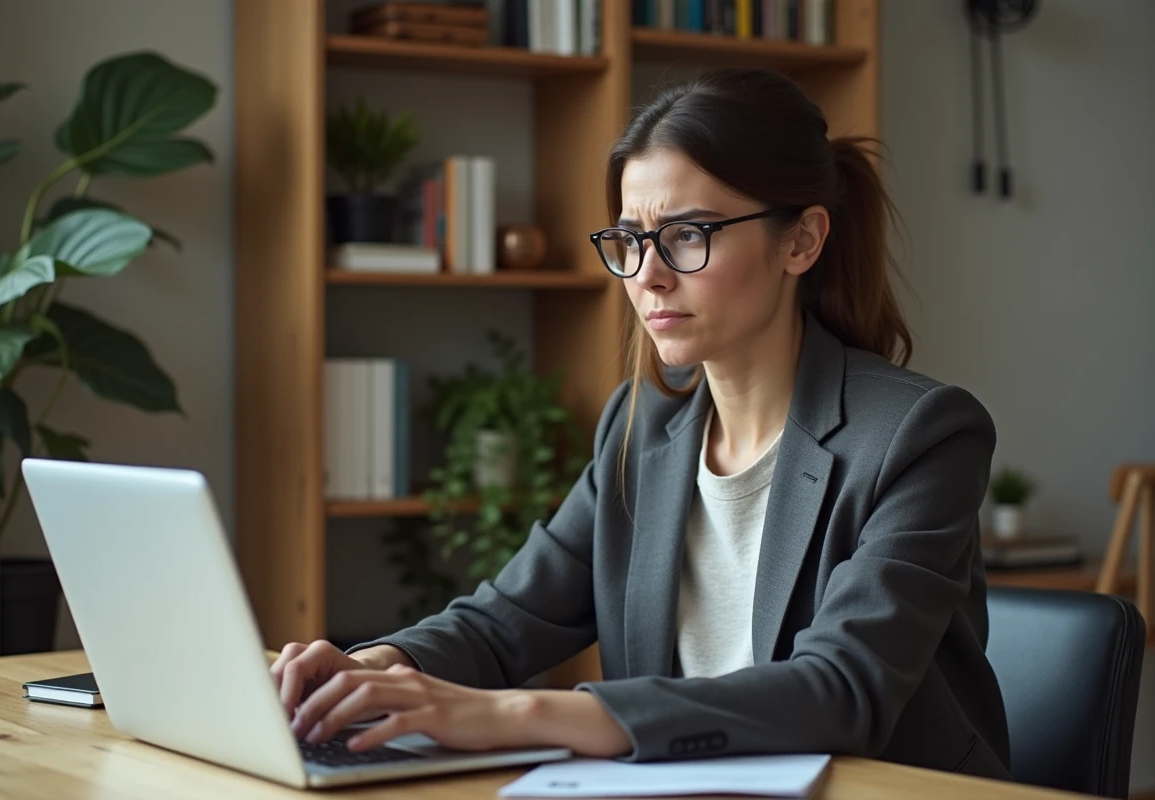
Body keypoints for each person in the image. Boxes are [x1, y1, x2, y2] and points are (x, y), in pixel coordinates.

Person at [272, 67, 1012, 781]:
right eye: (629, 241)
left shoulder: (921, 434)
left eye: (688, 235)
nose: (648, 275)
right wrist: (372, 667)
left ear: (801, 241)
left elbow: (841, 690)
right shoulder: (642, 426)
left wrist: (520, 714)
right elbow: (505, 622)